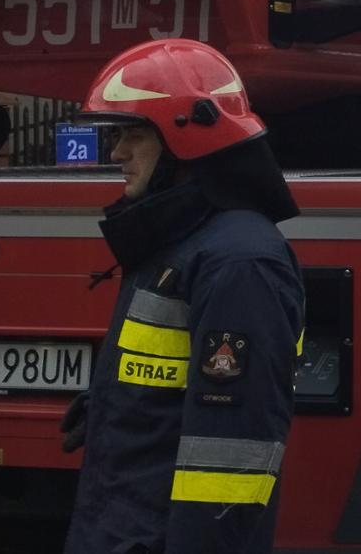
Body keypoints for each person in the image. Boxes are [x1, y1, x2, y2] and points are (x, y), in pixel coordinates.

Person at [62, 39, 304, 554]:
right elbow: (174, 379)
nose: (116, 153)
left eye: (133, 135)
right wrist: (115, 406)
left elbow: (228, 460)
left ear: (185, 140)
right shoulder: (182, 241)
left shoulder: (239, 263)